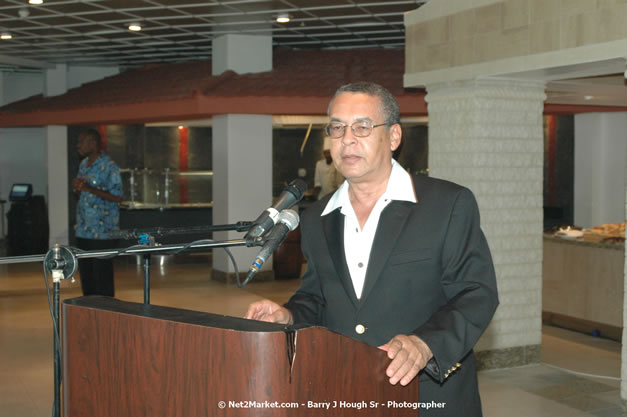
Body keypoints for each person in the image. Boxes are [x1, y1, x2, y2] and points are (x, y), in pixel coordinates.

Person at [246, 82, 499, 416]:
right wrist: (288, 315)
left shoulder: (447, 204)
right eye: (337, 128)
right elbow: (317, 299)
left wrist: (426, 343)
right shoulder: (316, 218)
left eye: (362, 126)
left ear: (393, 137)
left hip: (427, 398)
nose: (347, 138)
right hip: (345, 390)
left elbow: (476, 292)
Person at [72, 128, 123, 297]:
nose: (78, 145)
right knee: (87, 276)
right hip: (83, 229)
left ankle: (106, 311)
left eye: (81, 141)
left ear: (93, 143)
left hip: (103, 232)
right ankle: (88, 309)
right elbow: (82, 193)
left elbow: (117, 197)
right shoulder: (83, 164)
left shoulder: (109, 166)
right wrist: (78, 188)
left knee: (103, 276)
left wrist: (88, 188)